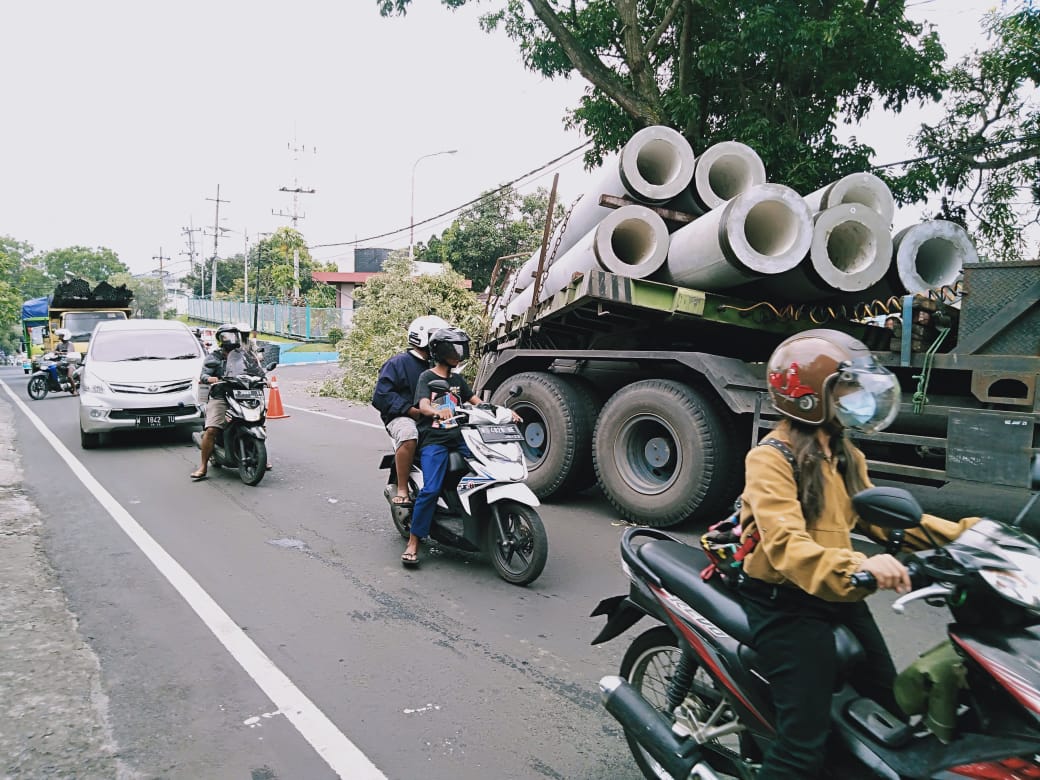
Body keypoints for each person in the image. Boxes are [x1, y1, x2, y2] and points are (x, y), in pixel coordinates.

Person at [736, 329, 977, 779]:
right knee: (801, 749)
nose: (859, 396)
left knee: (888, 705)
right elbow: (788, 547)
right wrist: (861, 564)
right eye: (847, 388)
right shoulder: (770, 459)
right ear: (807, 397)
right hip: (786, 603)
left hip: (841, 591)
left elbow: (881, 516)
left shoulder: (845, 452)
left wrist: (970, 537)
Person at [401, 327, 520, 567]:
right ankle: (414, 541)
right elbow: (423, 405)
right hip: (435, 439)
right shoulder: (427, 377)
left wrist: (504, 412)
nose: (459, 353)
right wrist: (436, 411)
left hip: (459, 436)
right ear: (441, 351)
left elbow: (478, 403)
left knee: (490, 469)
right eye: (454, 349)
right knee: (430, 490)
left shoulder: (456, 380)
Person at [372, 315, 450, 505]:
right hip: (402, 417)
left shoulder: (440, 366)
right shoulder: (398, 363)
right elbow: (381, 396)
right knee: (409, 434)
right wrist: (411, 411)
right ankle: (402, 487)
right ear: (422, 338)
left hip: (433, 416)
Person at [191, 324, 265, 481]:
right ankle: (203, 466)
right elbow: (204, 375)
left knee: (258, 421)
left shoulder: (244, 355)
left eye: (233, 335)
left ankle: (261, 455)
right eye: (226, 336)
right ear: (220, 339)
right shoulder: (215, 356)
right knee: (211, 429)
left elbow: (255, 369)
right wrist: (210, 378)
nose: (230, 339)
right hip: (221, 395)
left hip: (241, 394)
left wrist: (263, 378)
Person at [53, 328, 78, 394]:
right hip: (62, 362)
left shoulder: (70, 344)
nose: (59, 337)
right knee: (52, 366)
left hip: (71, 362)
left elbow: (69, 353)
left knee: (69, 376)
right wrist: (54, 352)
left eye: (61, 335)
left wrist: (60, 353)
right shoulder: (59, 344)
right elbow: (54, 351)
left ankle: (75, 390)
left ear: (64, 336)